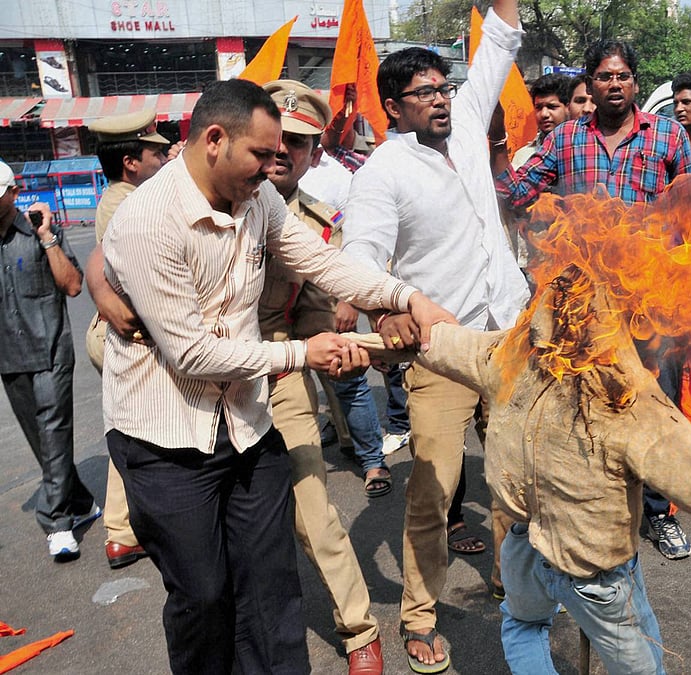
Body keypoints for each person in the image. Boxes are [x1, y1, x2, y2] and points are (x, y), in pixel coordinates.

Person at [101, 78, 449, 674]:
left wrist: (405, 297)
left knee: (271, 585)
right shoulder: (149, 221)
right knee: (203, 595)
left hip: (246, 421)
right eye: (262, 153)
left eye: (286, 150)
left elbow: (321, 262)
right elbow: (192, 355)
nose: (273, 165)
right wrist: (302, 355)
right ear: (214, 140)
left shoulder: (257, 199)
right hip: (167, 439)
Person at [380, 271, 691, 675]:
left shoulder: (508, 355)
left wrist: (374, 335)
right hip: (588, 575)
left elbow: (434, 341)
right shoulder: (624, 404)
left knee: (523, 625)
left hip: (527, 552)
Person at [341, 1, 527, 670]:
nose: (441, 100)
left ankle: (515, 582)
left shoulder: (470, 121)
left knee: (515, 476)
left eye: (444, 87)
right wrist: (386, 306)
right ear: (393, 107)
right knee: (434, 488)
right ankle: (418, 617)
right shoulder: (381, 174)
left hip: (507, 335)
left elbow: (501, 36)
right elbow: (358, 259)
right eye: (424, 93)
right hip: (441, 352)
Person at [497, 38, 691, 561]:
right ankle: (597, 508)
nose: (614, 84)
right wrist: (495, 148)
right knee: (586, 401)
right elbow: (518, 193)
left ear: (635, 81)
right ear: (590, 83)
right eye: (604, 76)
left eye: (622, 75)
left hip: (647, 298)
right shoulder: (566, 138)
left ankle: (659, 512)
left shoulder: (668, 134)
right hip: (581, 301)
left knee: (655, 403)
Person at [259, 79, 386, 673]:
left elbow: (311, 312)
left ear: (314, 155)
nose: (283, 150)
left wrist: (336, 347)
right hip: (194, 372)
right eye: (277, 136)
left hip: (278, 369)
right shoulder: (208, 198)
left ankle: (359, 629)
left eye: (299, 142)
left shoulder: (314, 223)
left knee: (312, 507)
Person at [86, 109, 171, 569]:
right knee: (136, 433)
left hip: (120, 327)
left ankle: (122, 531)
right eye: (155, 152)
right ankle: (123, 530)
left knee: (133, 427)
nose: (164, 157)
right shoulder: (128, 203)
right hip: (128, 330)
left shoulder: (123, 195)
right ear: (130, 163)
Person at [0, 163, 97, 562]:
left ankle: (57, 523)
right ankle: (81, 502)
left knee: (54, 434)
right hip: (10, 357)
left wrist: (47, 238)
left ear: (13, 193)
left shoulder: (41, 231)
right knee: (41, 442)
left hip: (51, 351)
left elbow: (72, 285)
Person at [512, 73, 571, 168]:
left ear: (569, 108)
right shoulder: (523, 156)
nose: (544, 114)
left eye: (551, 107)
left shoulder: (585, 150)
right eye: (538, 107)